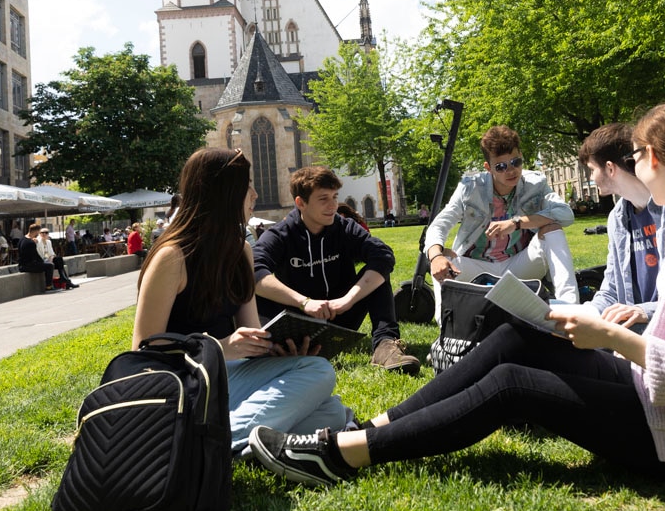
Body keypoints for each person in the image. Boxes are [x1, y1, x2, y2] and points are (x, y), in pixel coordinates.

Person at [249, 101, 665, 486]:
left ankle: (344, 454)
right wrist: (583, 325)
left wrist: (611, 338)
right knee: (516, 334)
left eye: (635, 155)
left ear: (653, 159)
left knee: (513, 385)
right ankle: (374, 426)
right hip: (658, 396)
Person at [133, 148, 349, 459]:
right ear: (222, 193)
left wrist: (278, 350)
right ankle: (208, 448)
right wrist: (221, 347)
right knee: (319, 373)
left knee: (332, 411)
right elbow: (143, 351)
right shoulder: (172, 257)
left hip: (227, 376)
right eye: (246, 185)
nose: (255, 193)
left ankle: (232, 442)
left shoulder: (241, 251)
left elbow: (251, 332)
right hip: (185, 383)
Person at [253, 166, 420, 375]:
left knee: (378, 273)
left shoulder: (344, 228)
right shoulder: (281, 234)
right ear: (300, 203)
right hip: (298, 323)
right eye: (323, 199)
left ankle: (385, 346)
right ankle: (272, 349)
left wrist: (347, 300)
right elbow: (253, 269)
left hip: (341, 315)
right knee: (258, 289)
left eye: (335, 196)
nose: (333, 205)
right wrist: (304, 303)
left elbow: (382, 255)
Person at [424, 125, 577, 307]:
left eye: (516, 162)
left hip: (519, 265)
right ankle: (446, 326)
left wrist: (517, 223)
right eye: (501, 166)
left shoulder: (535, 183)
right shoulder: (470, 188)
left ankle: (569, 308)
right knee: (442, 259)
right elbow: (439, 225)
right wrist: (435, 257)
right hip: (476, 266)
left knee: (553, 230)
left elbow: (565, 214)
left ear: (521, 156)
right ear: (488, 167)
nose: (511, 171)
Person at [575, 123, 665, 332]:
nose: (592, 178)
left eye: (593, 169)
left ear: (610, 168)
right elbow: (611, 288)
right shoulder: (617, 219)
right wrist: (585, 315)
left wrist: (644, 311)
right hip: (629, 328)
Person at [19, 223, 70, 291]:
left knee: (58, 260)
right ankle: (49, 287)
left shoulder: (22, 239)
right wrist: (43, 262)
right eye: (39, 232)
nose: (38, 235)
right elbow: (35, 256)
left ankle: (64, 279)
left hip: (23, 264)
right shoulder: (31, 242)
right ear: (36, 231)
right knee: (50, 266)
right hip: (27, 266)